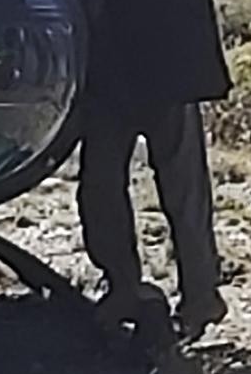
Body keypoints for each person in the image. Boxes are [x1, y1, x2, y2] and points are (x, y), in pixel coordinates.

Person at [78, 84, 225, 342]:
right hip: (157, 73)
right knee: (184, 191)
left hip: (117, 78)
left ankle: (127, 288)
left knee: (103, 187)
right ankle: (197, 294)